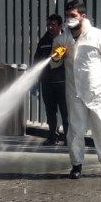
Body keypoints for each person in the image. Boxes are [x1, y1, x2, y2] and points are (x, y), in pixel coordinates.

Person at [51, 0, 101, 180]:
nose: (69, 19)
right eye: (67, 16)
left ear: (83, 16)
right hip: (74, 92)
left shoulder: (97, 36)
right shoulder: (61, 40)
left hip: (96, 91)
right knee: (75, 130)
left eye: (72, 16)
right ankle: (76, 165)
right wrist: (56, 57)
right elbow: (53, 65)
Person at [34, 14, 68, 146]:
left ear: (60, 26)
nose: (50, 27)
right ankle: (53, 136)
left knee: (65, 111)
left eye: (53, 25)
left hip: (63, 82)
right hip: (47, 81)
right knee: (50, 111)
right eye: (48, 24)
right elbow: (37, 60)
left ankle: (67, 137)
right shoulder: (43, 41)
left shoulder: (66, 40)